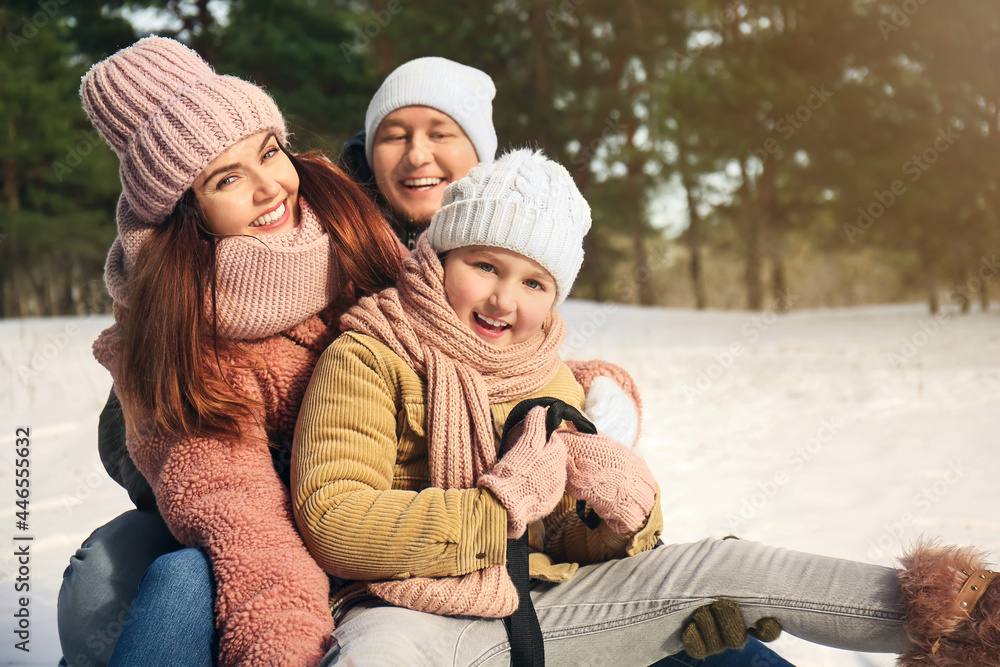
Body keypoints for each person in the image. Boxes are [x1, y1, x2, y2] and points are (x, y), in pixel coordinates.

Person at [58, 50, 788, 666]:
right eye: (398, 135)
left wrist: (594, 416)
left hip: (440, 517)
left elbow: (518, 372)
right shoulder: (350, 235)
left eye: (444, 134)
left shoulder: (414, 244)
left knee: (697, 630)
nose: (419, 155)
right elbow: (215, 491)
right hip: (292, 524)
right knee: (139, 576)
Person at [292, 147, 1000, 667]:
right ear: (439, 255)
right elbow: (333, 520)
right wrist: (500, 505)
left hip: (544, 607)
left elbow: (566, 540)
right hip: (404, 615)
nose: (506, 299)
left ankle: (968, 619)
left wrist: (614, 513)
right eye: (485, 266)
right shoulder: (370, 353)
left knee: (729, 563)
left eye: (534, 281)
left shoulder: (549, 374)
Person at [60, 36, 405, 665]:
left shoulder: (348, 229)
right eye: (226, 178)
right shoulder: (180, 335)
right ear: (186, 212)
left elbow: (460, 344)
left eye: (269, 152)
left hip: (388, 524)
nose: (270, 188)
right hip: (269, 548)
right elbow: (244, 525)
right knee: (168, 579)